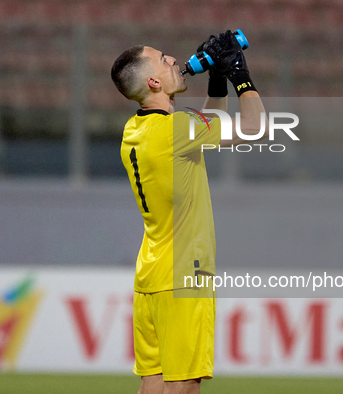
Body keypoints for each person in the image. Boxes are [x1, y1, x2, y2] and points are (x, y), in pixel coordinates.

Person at [111, 31, 266, 394]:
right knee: (183, 386)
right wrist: (240, 75)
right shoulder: (177, 131)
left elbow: (207, 126)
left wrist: (215, 78)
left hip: (151, 273)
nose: (173, 61)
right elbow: (254, 128)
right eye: (163, 59)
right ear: (153, 81)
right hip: (185, 274)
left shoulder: (135, 130)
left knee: (153, 381)